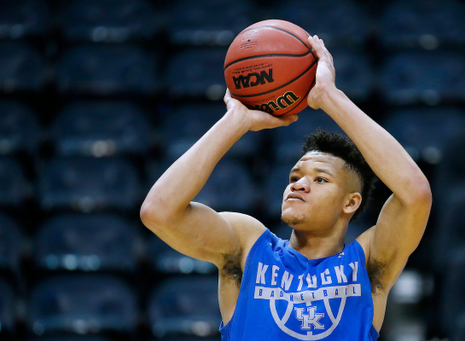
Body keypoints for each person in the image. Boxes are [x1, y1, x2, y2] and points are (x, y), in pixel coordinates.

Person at [140, 35, 432, 340]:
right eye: (294, 177)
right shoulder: (248, 246)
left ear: (350, 202)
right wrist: (235, 121)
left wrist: (329, 98)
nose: (300, 185)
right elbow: (158, 212)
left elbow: (415, 194)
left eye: (320, 179)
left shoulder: (368, 263)